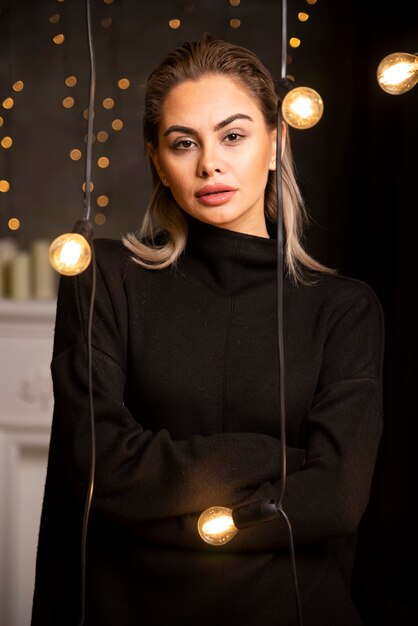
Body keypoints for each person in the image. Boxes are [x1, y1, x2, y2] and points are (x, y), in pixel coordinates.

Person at [31, 34, 384, 626]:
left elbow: (338, 499)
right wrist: (271, 457)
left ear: (276, 144)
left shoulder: (344, 308)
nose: (209, 163)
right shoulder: (105, 278)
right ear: (157, 161)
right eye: (183, 143)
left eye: (234, 135)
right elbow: (99, 467)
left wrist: (152, 509)